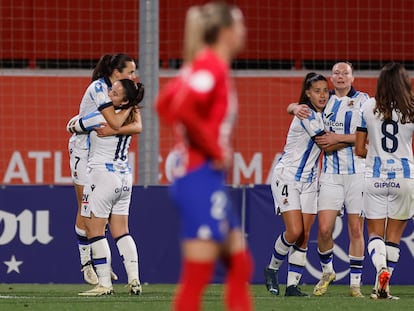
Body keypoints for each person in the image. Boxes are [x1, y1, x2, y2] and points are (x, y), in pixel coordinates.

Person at [156, 3, 253, 311]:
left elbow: (164, 104)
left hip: (202, 178)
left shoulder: (199, 66)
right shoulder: (211, 66)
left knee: (240, 264)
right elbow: (182, 109)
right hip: (200, 179)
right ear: (225, 32)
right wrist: (213, 150)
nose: (244, 31)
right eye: (239, 25)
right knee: (198, 275)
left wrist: (191, 141)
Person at [288, 62, 369, 297]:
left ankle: (355, 284)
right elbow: (301, 112)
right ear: (331, 78)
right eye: (336, 73)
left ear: (353, 77)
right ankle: (328, 272)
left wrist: (337, 138)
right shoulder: (324, 101)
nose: (341, 76)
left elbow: (370, 137)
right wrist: (293, 106)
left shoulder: (365, 101)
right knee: (323, 230)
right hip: (331, 175)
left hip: (358, 173)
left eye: (345, 73)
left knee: (356, 229)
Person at [68, 53, 140, 285]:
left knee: (104, 217)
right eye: (130, 71)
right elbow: (115, 122)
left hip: (103, 159)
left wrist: (130, 107)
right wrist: (132, 105)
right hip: (84, 153)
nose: (133, 76)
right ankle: (87, 264)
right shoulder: (102, 89)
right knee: (86, 211)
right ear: (116, 73)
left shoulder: (123, 93)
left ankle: (102, 264)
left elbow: (133, 126)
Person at [264, 73, 329, 297]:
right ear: (308, 93)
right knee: (294, 230)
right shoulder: (306, 113)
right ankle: (272, 269)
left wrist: (289, 106)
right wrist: (356, 139)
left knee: (304, 234)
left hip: (310, 181)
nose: (322, 95)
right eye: (317, 91)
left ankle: (292, 286)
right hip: (288, 177)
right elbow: (325, 143)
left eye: (325, 90)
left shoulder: (325, 113)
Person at [355, 62, 414, 299]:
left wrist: (375, 152)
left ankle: (380, 271)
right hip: (405, 178)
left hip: (375, 177)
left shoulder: (368, 106)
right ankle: (384, 287)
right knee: (394, 238)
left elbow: (359, 149)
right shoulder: (411, 107)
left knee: (375, 235)